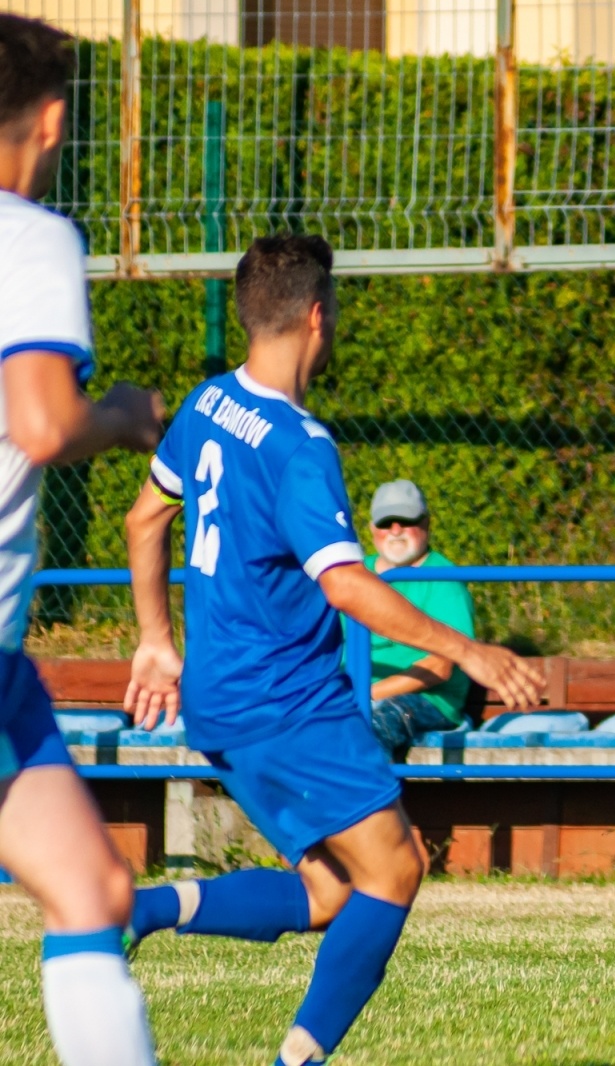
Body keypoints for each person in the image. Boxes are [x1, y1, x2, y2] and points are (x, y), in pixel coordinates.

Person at [120, 234, 545, 1066]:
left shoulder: (208, 404)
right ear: (320, 316)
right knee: (396, 872)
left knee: (330, 890)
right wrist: (473, 652)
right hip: (289, 702)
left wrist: (154, 641)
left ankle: (138, 913)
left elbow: (143, 519)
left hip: (219, 696)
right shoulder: (299, 444)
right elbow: (346, 585)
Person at [0, 15, 168, 1066]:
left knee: (93, 885)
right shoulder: (30, 235)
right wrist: (125, 413)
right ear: (53, 118)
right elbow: (43, 422)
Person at [362, 479, 477, 755]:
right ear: (372, 529)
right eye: (386, 523)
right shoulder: (355, 575)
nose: (396, 531)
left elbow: (440, 666)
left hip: (425, 700)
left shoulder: (442, 578)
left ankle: (374, 797)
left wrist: (367, 696)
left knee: (375, 728)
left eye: (405, 520)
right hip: (353, 697)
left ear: (426, 524)